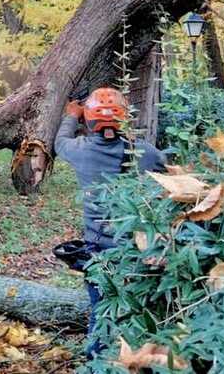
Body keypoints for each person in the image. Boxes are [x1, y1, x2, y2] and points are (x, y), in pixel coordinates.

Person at [54, 87, 166, 358]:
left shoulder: (79, 150)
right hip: (136, 252)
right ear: (125, 119)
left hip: (98, 253)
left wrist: (71, 115)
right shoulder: (145, 153)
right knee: (141, 311)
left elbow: (60, 142)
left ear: (89, 121)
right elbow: (165, 171)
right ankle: (140, 357)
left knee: (100, 312)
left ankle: (97, 362)